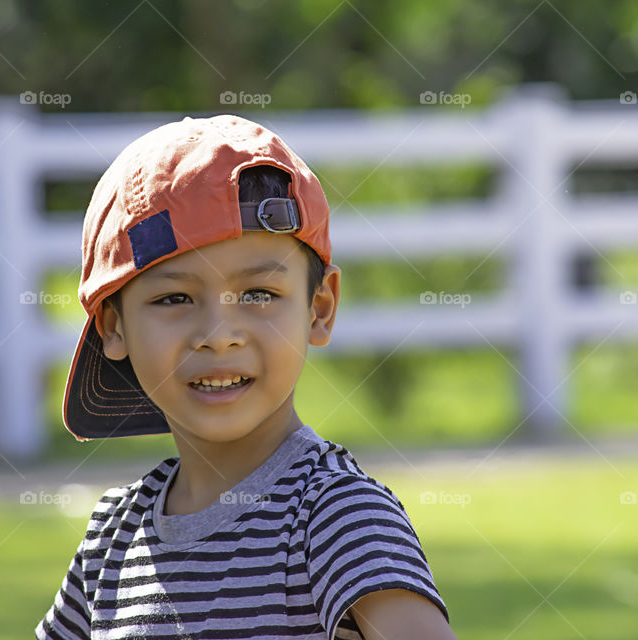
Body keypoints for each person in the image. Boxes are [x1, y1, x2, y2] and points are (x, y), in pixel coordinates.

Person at [35, 114, 456, 639]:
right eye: (174, 298)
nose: (218, 334)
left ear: (319, 308)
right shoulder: (111, 541)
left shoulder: (336, 516)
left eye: (259, 294)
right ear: (114, 327)